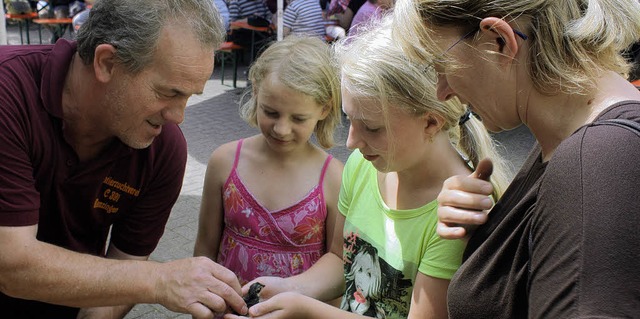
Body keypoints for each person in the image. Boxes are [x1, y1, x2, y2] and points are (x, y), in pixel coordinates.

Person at [226, 17, 510, 319]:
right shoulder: (364, 165)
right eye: (350, 120)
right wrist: (290, 289)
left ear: (430, 122)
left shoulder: (456, 213)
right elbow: (341, 259)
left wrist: (307, 311)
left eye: (372, 128)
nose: (350, 143)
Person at [0, 0, 249, 318]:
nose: (178, 116)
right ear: (106, 63)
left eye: (189, 96)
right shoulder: (9, 93)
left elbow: (125, 265)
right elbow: (10, 264)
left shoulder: (163, 149)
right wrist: (160, 280)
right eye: (169, 92)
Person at [391, 0, 640, 317]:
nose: (441, 92)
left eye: (441, 67)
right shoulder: (572, 144)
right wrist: (493, 241)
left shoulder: (597, 159)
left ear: (498, 42)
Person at [194, 35, 344, 288]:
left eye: (298, 118)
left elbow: (338, 262)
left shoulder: (334, 179)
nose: (282, 129)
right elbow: (205, 248)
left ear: (324, 109)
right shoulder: (224, 162)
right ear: (255, 91)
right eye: (271, 112)